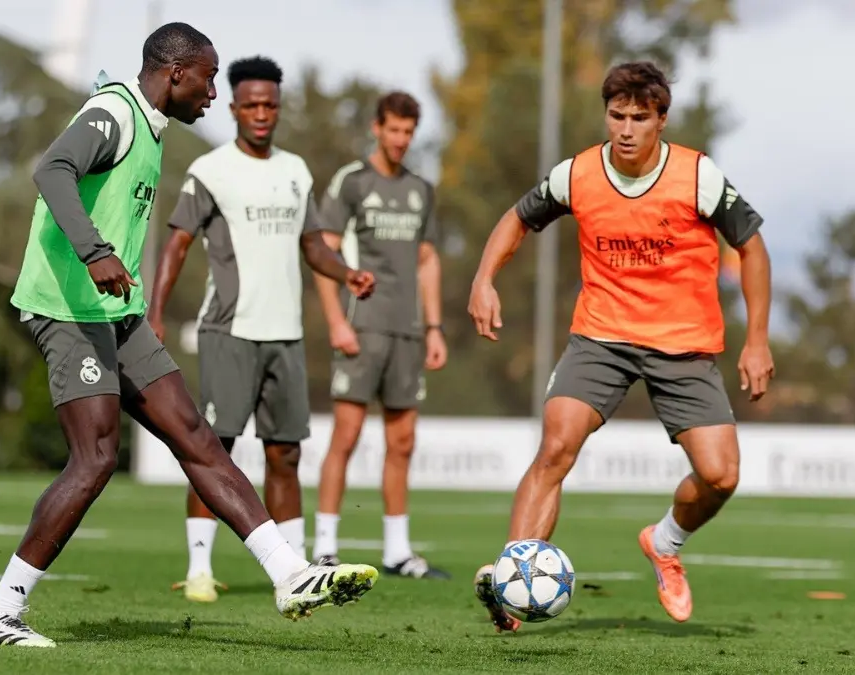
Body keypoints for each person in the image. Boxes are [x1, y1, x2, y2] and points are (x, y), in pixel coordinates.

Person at [0, 27, 378, 648]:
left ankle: (289, 572)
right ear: (176, 73)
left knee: (198, 438)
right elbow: (51, 169)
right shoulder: (114, 114)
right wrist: (95, 253)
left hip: (116, 315)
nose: (215, 92)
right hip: (69, 311)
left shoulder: (151, 127)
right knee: (97, 457)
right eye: (209, 79)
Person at [467, 61, 774, 631]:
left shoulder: (698, 176)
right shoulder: (578, 173)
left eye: (639, 117)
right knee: (556, 447)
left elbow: (752, 248)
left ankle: (664, 543)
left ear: (662, 119)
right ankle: (514, 583)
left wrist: (756, 340)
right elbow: (515, 219)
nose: (626, 129)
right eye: (616, 116)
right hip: (600, 337)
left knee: (721, 476)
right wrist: (484, 279)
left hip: (682, 345)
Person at [147, 55, 378, 604]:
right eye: (250, 105)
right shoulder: (211, 170)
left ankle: (293, 572)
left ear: (279, 107)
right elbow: (177, 243)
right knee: (214, 449)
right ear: (233, 108)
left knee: (285, 455)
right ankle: (199, 568)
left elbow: (312, 245)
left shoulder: (296, 171)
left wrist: (347, 273)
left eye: (269, 105)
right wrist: (154, 313)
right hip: (229, 332)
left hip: (286, 336)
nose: (260, 113)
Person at [308, 92, 450, 580]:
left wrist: (434, 327)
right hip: (361, 326)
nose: (401, 140)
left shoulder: (421, 190)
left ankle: (397, 552)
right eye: (393, 130)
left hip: (407, 332)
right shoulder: (352, 182)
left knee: (403, 441)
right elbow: (325, 257)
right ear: (377, 128)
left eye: (409, 132)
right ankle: (325, 547)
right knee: (345, 436)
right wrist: (336, 321)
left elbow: (428, 261)